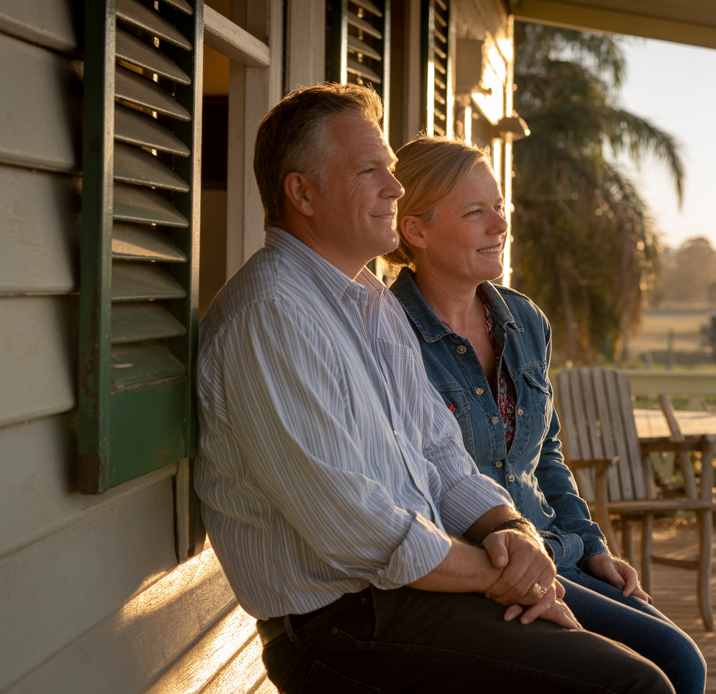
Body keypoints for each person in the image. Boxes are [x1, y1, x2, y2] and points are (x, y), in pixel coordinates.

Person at [194, 84, 673, 694]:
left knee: (649, 664)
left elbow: (441, 454)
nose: (394, 188)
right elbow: (356, 531)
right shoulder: (272, 315)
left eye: (391, 171)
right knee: (635, 686)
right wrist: (499, 575)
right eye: (371, 172)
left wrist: (510, 530)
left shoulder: (367, 303)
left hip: (410, 596)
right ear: (302, 193)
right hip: (341, 627)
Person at [382, 135, 707, 694]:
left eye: (500, 206)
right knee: (674, 665)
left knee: (679, 657)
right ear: (416, 230)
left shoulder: (524, 322)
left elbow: (546, 454)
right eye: (475, 212)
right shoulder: (389, 333)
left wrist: (595, 545)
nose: (500, 225)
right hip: (494, 569)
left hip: (561, 549)